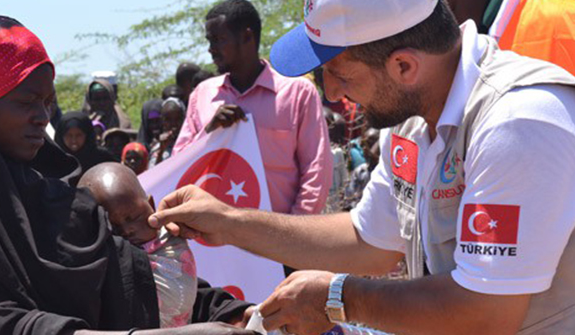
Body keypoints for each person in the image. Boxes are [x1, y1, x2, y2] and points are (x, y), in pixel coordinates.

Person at [149, 0, 575, 334]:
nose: (331, 94)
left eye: (340, 74)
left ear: (404, 66)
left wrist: (339, 298)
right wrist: (229, 222)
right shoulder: (412, 121)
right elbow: (366, 239)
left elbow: (488, 312)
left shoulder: (517, 121)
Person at [0, 15, 255, 335]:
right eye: (27, 101)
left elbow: (130, 269)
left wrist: (234, 313)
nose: (43, 117)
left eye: (47, 103)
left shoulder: (56, 196)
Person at [174, 0, 333, 218]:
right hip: (214, 242)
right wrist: (209, 133)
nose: (211, 49)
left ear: (247, 37)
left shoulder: (297, 93)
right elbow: (178, 165)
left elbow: (316, 171)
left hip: (280, 242)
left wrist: (292, 235)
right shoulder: (202, 94)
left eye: (219, 40)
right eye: (209, 40)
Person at [79, 163, 197, 328]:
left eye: (133, 217)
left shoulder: (174, 237)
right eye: (112, 228)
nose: (126, 231)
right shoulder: (97, 266)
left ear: (151, 205)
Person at [55, 112, 116, 181]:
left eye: (79, 135)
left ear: (87, 135)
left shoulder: (103, 158)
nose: (74, 140)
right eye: (69, 135)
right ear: (61, 136)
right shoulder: (53, 160)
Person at [150, 97, 185, 168]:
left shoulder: (191, 145)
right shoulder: (157, 149)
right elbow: (154, 175)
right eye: (168, 119)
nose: (173, 123)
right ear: (162, 121)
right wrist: (161, 151)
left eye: (177, 119)